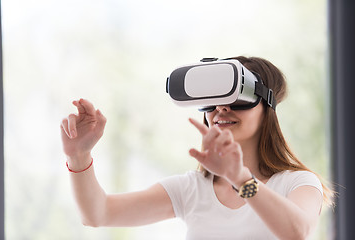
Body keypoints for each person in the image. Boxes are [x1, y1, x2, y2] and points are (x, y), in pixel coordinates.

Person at [61, 56, 334, 240]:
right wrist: (78, 155)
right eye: (212, 100)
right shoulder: (191, 189)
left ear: (268, 106)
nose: (221, 109)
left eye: (238, 98)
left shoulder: (298, 183)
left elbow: (297, 232)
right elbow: (97, 214)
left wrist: (240, 179)